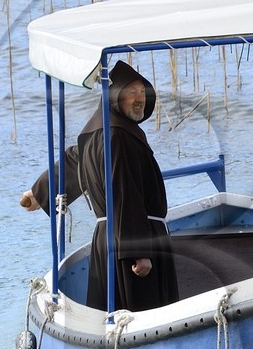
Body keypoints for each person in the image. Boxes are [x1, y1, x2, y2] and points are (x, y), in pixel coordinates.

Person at [20, 61, 179, 312]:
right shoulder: (118, 136)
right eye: (131, 93)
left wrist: (39, 192)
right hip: (130, 239)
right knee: (143, 313)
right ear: (115, 97)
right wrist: (139, 252)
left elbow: (74, 159)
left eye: (141, 92)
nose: (139, 99)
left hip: (109, 237)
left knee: (111, 310)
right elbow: (124, 194)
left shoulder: (98, 131)